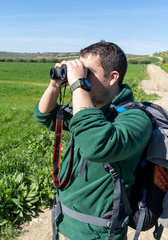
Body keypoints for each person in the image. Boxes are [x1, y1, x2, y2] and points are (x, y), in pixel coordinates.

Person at [34, 41, 153, 239]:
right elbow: (45, 115)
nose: (80, 77)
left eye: (87, 72)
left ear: (113, 77)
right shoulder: (91, 111)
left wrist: (79, 85)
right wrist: (55, 84)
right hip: (64, 221)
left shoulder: (136, 119)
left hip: (99, 233)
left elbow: (96, 145)